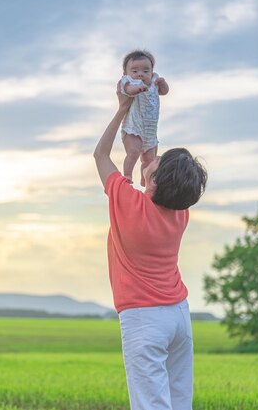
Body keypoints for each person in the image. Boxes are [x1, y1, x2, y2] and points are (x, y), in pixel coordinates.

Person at [93, 83, 207, 410]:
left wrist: (122, 108)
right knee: (178, 402)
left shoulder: (130, 204)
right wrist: (147, 108)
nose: (153, 160)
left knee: (151, 405)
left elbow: (101, 155)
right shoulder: (179, 212)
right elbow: (155, 162)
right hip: (178, 316)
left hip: (144, 319)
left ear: (154, 181)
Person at [119, 49, 169, 186]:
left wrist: (162, 83)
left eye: (145, 71)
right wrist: (138, 89)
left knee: (149, 160)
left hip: (150, 131)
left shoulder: (153, 82)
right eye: (135, 71)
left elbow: (164, 92)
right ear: (126, 73)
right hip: (133, 127)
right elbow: (128, 90)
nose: (140, 74)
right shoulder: (128, 82)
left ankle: (145, 179)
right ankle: (127, 175)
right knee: (133, 153)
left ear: (152, 72)